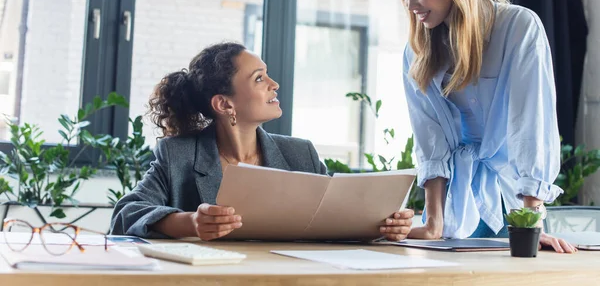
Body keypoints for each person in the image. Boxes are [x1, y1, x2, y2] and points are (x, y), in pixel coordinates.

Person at [389, 0, 576, 253]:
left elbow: (530, 127)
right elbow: (430, 139)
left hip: (515, 205)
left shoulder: (518, 28)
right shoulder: (415, 53)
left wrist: (530, 223)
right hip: (456, 210)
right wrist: (433, 223)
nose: (411, 4)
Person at [110, 42, 413, 241]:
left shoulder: (300, 153)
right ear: (224, 105)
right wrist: (190, 223)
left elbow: (336, 219)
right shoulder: (178, 154)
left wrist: (385, 225)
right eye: (258, 78)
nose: (274, 84)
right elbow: (126, 214)